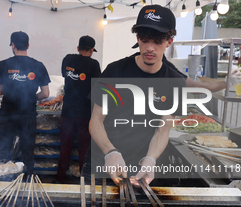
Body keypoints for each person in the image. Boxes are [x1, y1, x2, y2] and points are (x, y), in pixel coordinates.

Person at [90, 5, 186, 187]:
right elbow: (96, 120)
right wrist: (110, 152)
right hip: (103, 161)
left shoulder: (175, 81)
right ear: (137, 38)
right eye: (145, 39)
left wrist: (151, 158)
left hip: (139, 168)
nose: (150, 48)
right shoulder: (114, 72)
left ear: (169, 42)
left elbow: (162, 129)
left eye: (158, 41)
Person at [0, 31, 50, 176]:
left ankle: (1, 181)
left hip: (7, 114)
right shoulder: (38, 65)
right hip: (28, 114)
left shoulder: (3, 64)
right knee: (27, 150)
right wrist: (31, 97)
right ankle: (27, 181)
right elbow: (45, 94)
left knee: (4, 150)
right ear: (28, 45)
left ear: (13, 45)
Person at [57, 36, 101, 183]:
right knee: (84, 150)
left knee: (65, 148)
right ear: (92, 50)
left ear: (78, 48)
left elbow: (65, 76)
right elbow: (98, 89)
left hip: (68, 112)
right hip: (85, 114)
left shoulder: (67, 59)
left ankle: (60, 179)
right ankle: (84, 182)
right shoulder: (94, 64)